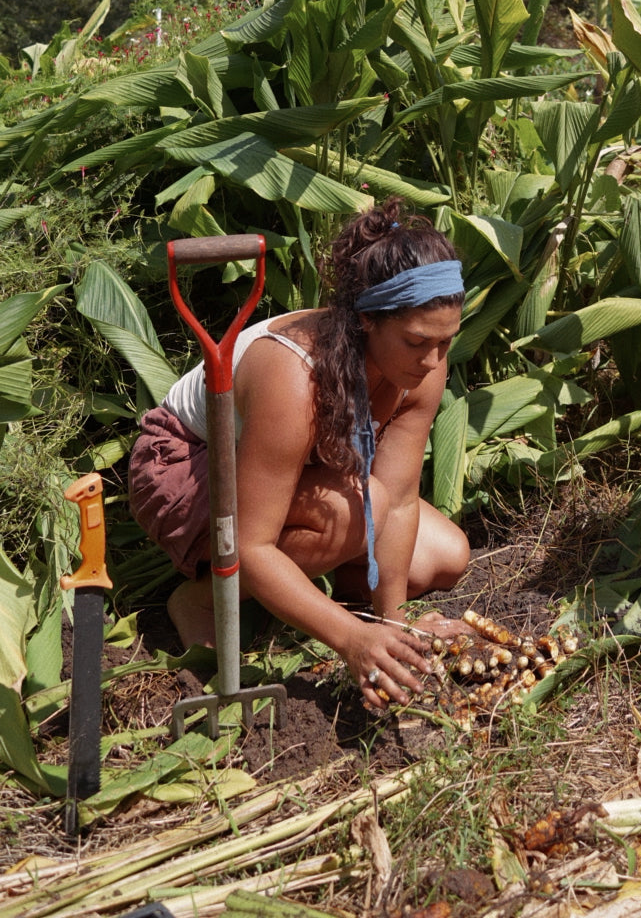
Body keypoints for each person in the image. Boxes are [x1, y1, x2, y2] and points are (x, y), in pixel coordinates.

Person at [128, 201, 471, 710]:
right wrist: (351, 639)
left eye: (446, 342)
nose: (433, 360)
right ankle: (199, 601)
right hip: (189, 464)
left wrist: (391, 628)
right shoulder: (293, 375)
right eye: (417, 341)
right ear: (365, 321)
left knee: (441, 559)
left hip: (299, 474)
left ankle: (291, 595)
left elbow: (397, 502)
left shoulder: (424, 363)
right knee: (354, 512)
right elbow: (253, 543)